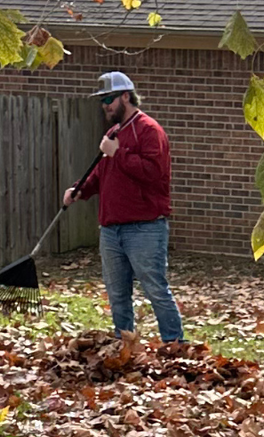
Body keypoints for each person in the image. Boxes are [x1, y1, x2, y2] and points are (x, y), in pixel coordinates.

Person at [65, 70, 184, 341]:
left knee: (155, 289)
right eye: (102, 100)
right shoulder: (113, 132)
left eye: (109, 99)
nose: (105, 105)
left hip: (145, 228)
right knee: (117, 293)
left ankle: (175, 346)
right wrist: (79, 190)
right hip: (111, 229)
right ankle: (123, 344)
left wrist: (118, 152)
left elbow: (153, 174)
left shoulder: (150, 131)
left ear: (126, 96)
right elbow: (102, 174)